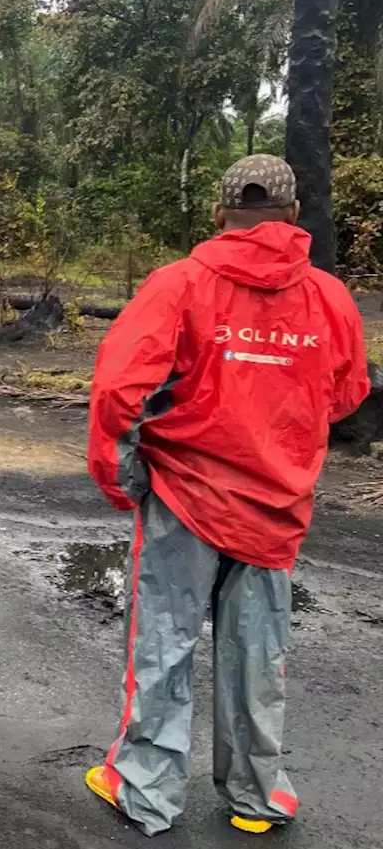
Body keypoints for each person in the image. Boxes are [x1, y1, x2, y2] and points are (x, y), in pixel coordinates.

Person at [84, 155, 372, 837]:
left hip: (184, 500)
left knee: (163, 644)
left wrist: (123, 479)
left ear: (219, 214)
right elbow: (348, 390)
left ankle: (146, 791)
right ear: (294, 216)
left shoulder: (179, 285)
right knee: (257, 654)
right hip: (276, 509)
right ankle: (257, 795)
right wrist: (281, 432)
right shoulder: (330, 298)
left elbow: (119, 392)